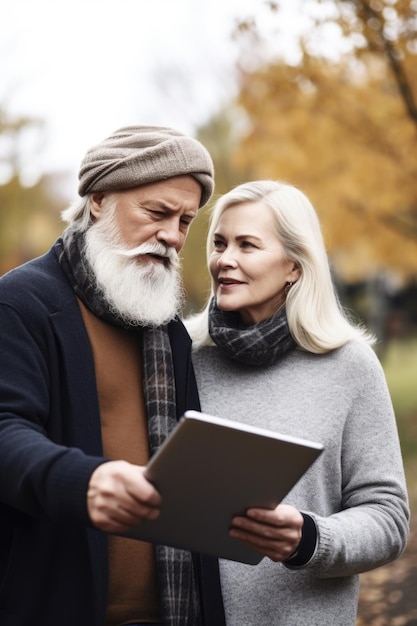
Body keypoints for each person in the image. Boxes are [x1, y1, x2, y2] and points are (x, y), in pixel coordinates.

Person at [0, 126, 226, 626]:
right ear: (99, 199)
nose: (173, 235)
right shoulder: (18, 302)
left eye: (186, 221)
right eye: (157, 212)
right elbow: (4, 432)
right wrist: (85, 481)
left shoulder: (167, 330)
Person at [185, 180, 410, 626]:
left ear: (293, 264)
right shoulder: (181, 356)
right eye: (219, 243)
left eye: (248, 245)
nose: (224, 260)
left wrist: (309, 538)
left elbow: (388, 518)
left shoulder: (350, 365)